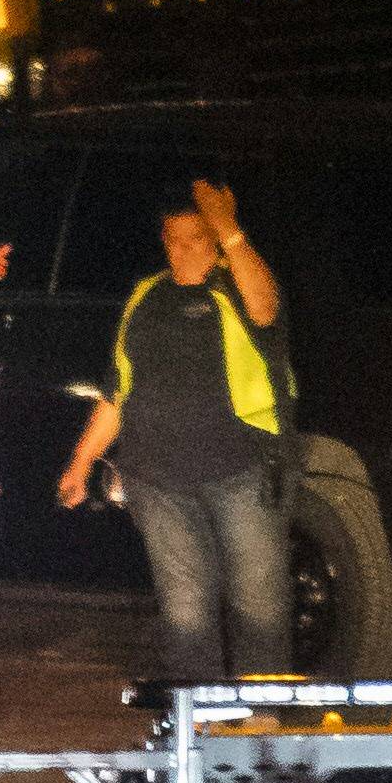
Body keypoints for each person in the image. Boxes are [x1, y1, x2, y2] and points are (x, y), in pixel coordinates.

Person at [51, 174, 290, 682]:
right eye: (173, 240)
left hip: (240, 472)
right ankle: (197, 728)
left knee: (259, 605)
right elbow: (118, 391)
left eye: (195, 239)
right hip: (156, 481)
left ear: (216, 241)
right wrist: (81, 461)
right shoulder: (145, 296)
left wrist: (228, 227)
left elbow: (265, 307)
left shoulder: (237, 287)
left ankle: (262, 725)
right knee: (185, 612)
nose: (182, 251)